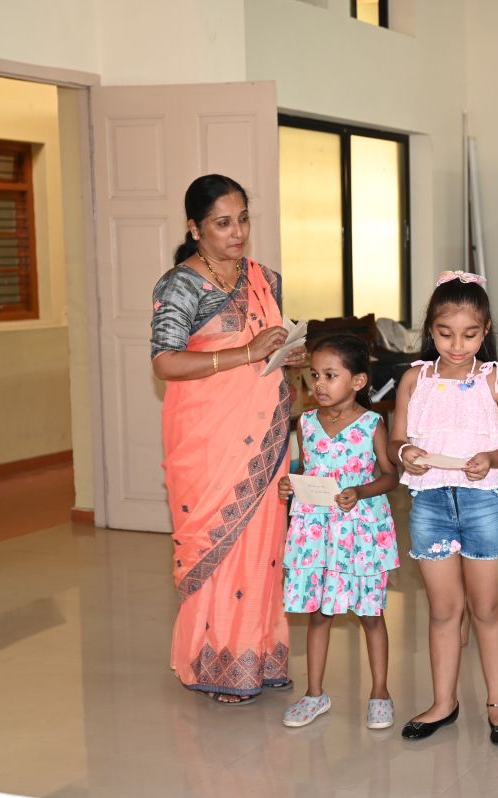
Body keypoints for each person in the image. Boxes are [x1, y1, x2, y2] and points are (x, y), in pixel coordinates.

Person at [151, 174, 305, 704]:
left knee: (264, 546)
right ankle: (215, 661)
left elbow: (267, 347)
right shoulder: (180, 286)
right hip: (208, 440)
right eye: (222, 223)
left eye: (242, 219)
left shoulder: (265, 278)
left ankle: (258, 655)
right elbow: (166, 361)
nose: (237, 232)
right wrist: (246, 352)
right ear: (195, 229)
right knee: (220, 546)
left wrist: (286, 354)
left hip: (263, 432)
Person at [389, 271, 498, 744]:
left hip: (483, 504)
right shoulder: (415, 380)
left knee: (487, 609)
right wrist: (404, 452)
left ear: (485, 330)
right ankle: (443, 702)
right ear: (430, 330)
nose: (457, 345)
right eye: (445, 333)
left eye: (469, 335)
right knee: (443, 610)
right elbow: (395, 439)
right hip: (430, 505)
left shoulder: (495, 381)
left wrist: (492, 458)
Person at [277, 334, 401, 729]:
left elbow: (390, 476)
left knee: (370, 614)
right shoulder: (306, 423)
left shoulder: (371, 424)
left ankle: (379, 692)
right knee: (319, 612)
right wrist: (291, 483)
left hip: (359, 533)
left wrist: (359, 491)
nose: (319, 384)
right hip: (317, 531)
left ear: (358, 381)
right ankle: (315, 694)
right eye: (314, 375)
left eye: (330, 375)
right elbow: (306, 468)